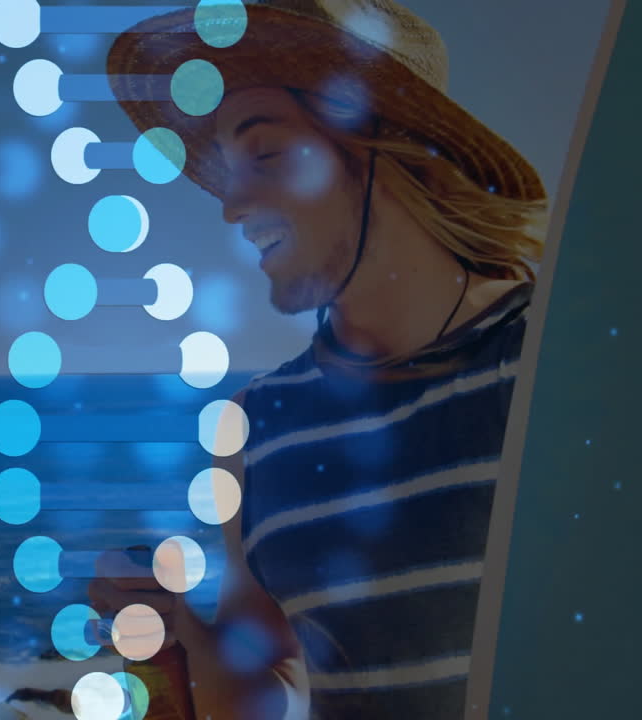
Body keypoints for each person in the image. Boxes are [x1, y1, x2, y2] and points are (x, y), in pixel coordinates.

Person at [90, 0, 549, 717]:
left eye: (264, 153)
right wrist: (176, 634)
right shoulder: (256, 426)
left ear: (382, 148)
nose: (233, 204)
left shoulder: (548, 363)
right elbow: (274, 688)